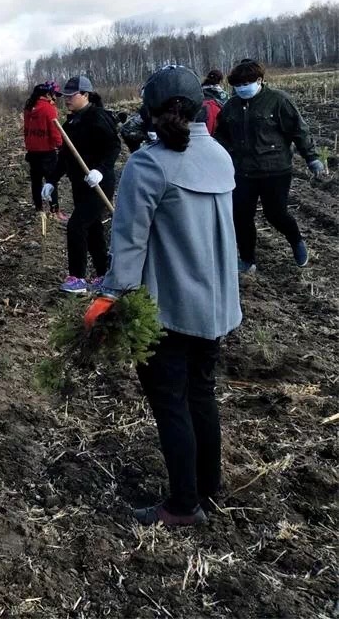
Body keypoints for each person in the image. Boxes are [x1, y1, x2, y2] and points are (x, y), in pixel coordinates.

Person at [85, 65, 241, 527]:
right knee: (201, 394)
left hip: (169, 310)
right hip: (216, 308)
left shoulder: (148, 163)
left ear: (150, 110)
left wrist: (109, 296)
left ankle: (183, 504)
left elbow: (129, 242)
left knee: (171, 401)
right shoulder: (219, 156)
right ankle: (207, 488)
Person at [214, 59, 325, 272]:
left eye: (246, 83)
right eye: (237, 85)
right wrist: (222, 152)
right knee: (241, 216)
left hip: (275, 170)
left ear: (260, 80)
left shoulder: (278, 101)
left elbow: (299, 131)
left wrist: (312, 158)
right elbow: (221, 134)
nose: (242, 89)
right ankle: (247, 260)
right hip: (243, 172)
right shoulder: (231, 107)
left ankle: (296, 240)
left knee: (275, 214)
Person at [42, 76, 121, 293]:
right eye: (64, 95)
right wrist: (51, 181)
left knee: (77, 226)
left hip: (97, 185)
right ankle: (104, 275)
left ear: (85, 95)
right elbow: (65, 157)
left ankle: (77, 278)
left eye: (71, 95)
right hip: (80, 186)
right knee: (93, 229)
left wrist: (101, 171)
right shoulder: (70, 123)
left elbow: (113, 147)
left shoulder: (98, 117)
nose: (66, 99)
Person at [23, 83, 64, 216]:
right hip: (47, 152)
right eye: (54, 95)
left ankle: (39, 208)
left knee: (36, 182)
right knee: (51, 181)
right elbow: (55, 131)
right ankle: (54, 210)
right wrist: (61, 146)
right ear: (47, 94)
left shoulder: (28, 108)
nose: (55, 98)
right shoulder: (49, 108)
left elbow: (26, 130)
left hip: (33, 152)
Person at [199, 69, 227, 136]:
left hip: (200, 120)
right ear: (220, 80)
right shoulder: (222, 94)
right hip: (216, 122)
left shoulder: (199, 90)